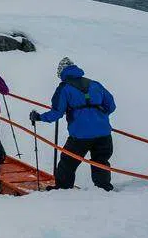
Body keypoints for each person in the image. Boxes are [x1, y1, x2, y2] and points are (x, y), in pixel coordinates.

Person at [30, 58, 117, 191]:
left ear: (61, 73)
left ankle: (63, 189)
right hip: (104, 132)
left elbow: (57, 113)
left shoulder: (64, 88)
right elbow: (111, 105)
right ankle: (104, 189)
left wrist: (39, 117)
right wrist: (97, 117)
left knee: (68, 161)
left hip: (80, 134)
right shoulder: (95, 84)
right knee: (101, 161)